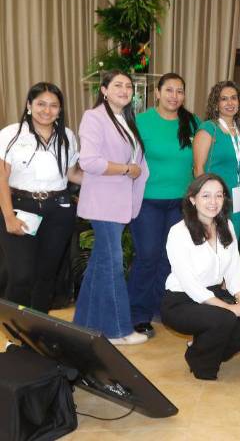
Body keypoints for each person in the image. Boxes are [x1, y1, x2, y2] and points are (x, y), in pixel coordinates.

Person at [73, 70, 150, 345]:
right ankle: (119, 330)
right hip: (102, 204)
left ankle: (83, 324)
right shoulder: (94, 117)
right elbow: (89, 161)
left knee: (99, 265)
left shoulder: (126, 120)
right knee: (113, 266)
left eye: (128, 86)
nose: (124, 89)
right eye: (117, 85)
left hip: (119, 205)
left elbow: (140, 164)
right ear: (104, 90)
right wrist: (126, 168)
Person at [161, 174, 240, 380]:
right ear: (193, 200)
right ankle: (203, 366)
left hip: (213, 296)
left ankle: (199, 348)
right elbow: (191, 286)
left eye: (219, 195)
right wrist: (231, 308)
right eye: (206, 196)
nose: (213, 202)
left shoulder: (226, 226)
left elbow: (234, 267)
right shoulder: (179, 233)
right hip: (181, 300)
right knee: (225, 318)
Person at [128, 73, 200, 338]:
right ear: (157, 93)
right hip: (148, 200)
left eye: (179, 91)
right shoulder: (141, 121)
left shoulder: (192, 122)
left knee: (171, 258)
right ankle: (137, 313)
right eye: (169, 90)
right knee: (147, 255)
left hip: (181, 202)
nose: (174, 96)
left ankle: (162, 307)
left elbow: (204, 156)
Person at [0, 83, 82, 312]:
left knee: (46, 276)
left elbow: (73, 174)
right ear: (29, 105)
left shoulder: (67, 136)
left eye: (53, 105)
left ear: (60, 109)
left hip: (59, 210)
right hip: (21, 208)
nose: (47, 110)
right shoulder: (11, 134)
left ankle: (36, 334)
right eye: (41, 104)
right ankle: (14, 331)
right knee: (21, 275)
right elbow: (1, 179)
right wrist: (8, 216)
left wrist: (112, 180)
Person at [193, 81, 240, 238]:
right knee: (214, 245)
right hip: (214, 198)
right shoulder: (208, 129)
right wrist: (204, 199)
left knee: (232, 243)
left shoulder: (238, 131)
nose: (230, 103)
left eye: (233, 98)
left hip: (236, 197)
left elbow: (238, 161)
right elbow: (198, 168)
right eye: (224, 99)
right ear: (216, 104)